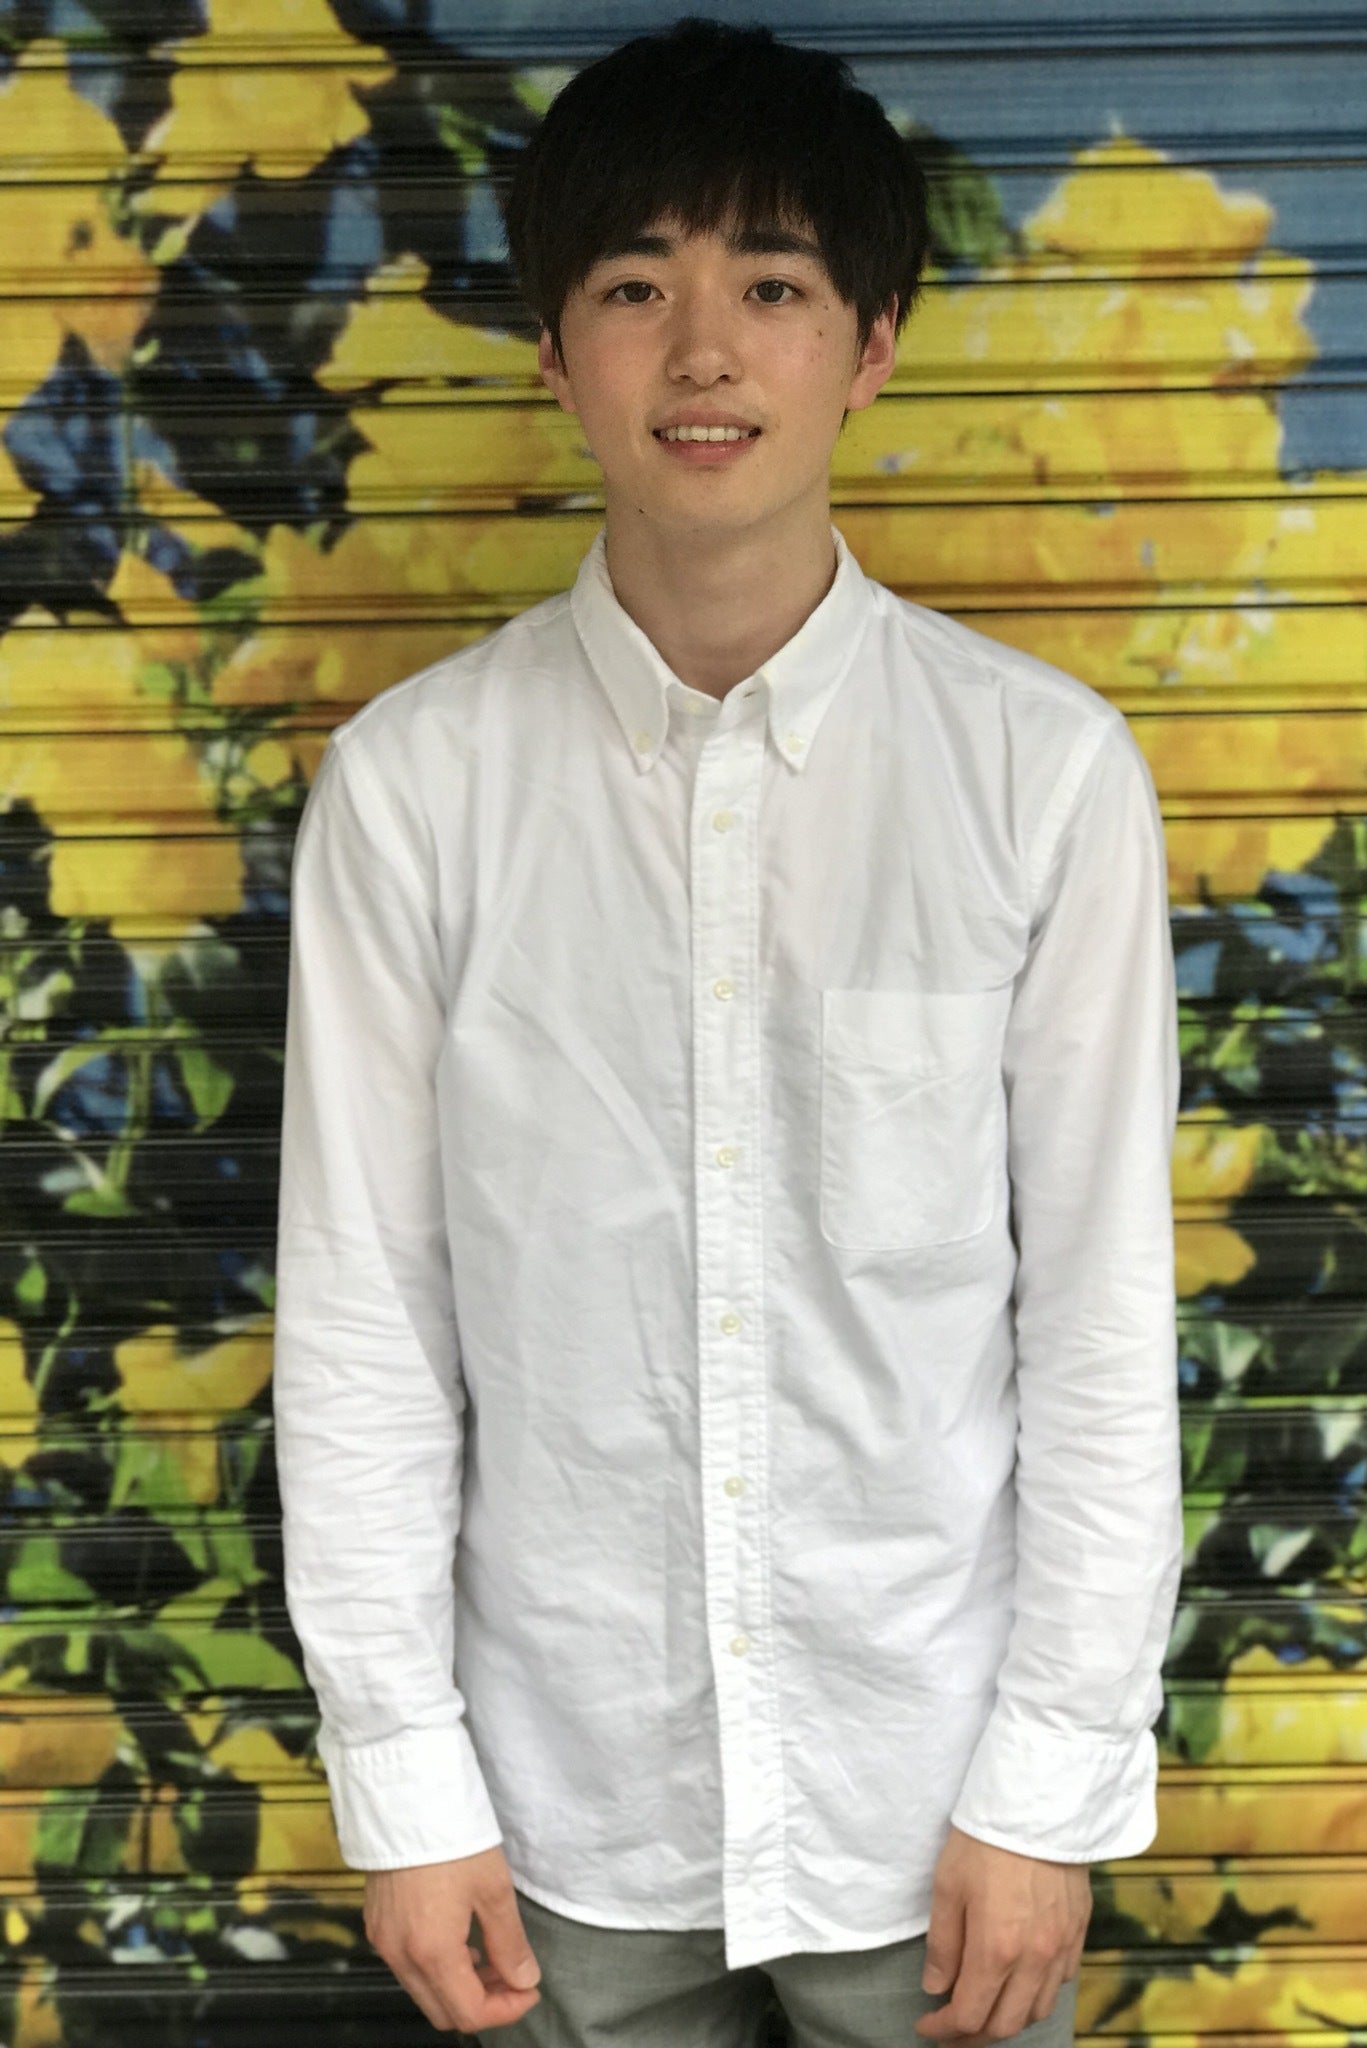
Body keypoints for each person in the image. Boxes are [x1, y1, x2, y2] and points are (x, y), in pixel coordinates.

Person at [272, 15, 1185, 2048]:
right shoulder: (415, 790)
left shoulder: (1040, 777)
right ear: (551, 350)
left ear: (871, 345)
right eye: (634, 289)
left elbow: (1100, 1319)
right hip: (560, 1812)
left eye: (772, 286)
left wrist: (1049, 1779)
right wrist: (405, 1782)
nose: (703, 353)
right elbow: (365, 1318)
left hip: (930, 1801)